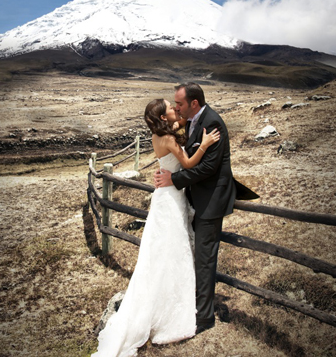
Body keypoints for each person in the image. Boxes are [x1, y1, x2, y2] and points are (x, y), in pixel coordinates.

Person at [92, 98, 220, 357]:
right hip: (171, 198)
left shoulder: (157, 135)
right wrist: (205, 145)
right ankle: (170, 310)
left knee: (162, 251)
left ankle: (166, 298)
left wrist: (183, 122)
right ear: (163, 117)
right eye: (170, 107)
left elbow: (179, 128)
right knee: (174, 250)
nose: (175, 108)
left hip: (165, 196)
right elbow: (187, 164)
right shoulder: (170, 139)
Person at [154, 83, 237, 335]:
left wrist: (173, 180)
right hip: (193, 199)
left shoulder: (213, 123)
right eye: (174, 105)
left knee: (204, 260)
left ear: (194, 104)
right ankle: (192, 305)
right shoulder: (190, 120)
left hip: (210, 201)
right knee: (193, 254)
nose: (176, 107)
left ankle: (205, 319)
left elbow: (207, 168)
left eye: (179, 104)